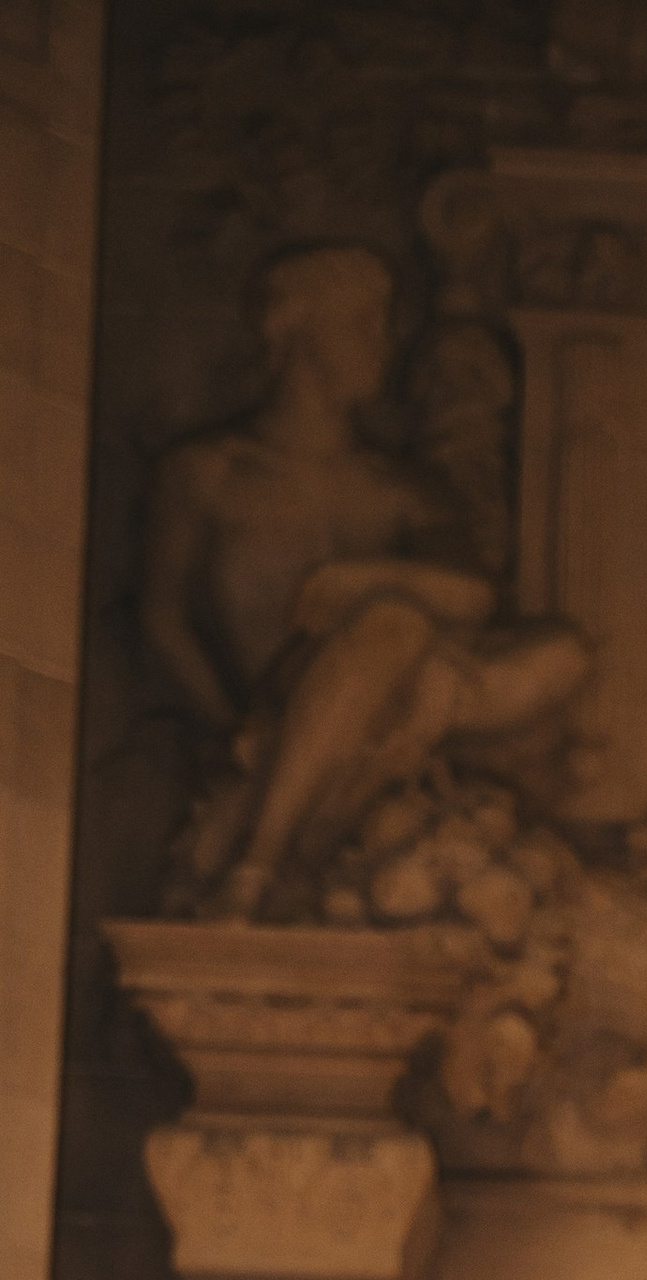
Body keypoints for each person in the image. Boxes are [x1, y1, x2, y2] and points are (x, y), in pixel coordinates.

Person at [143, 242, 588, 917]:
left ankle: (309, 834)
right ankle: (257, 862)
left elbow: (475, 602)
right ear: (298, 330)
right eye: (365, 323)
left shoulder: (400, 488)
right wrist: (226, 729)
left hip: (395, 704)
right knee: (398, 625)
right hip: (269, 703)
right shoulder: (208, 471)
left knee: (562, 654)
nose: (383, 343)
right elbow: (162, 622)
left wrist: (361, 577)